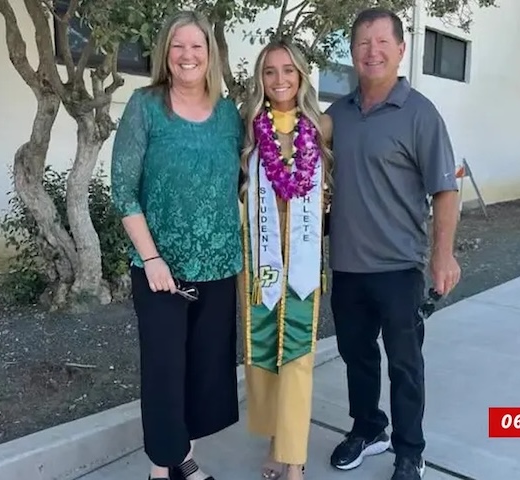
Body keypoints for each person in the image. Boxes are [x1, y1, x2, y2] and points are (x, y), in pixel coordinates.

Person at [325, 8, 461, 480]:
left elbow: (445, 189)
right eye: (363, 42)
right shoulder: (335, 116)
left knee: (404, 364)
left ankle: (409, 449)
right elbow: (298, 158)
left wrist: (443, 255)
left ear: (401, 50)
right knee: (356, 356)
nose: (372, 51)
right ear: (352, 51)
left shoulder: (419, 113)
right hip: (345, 266)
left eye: (383, 41)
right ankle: (368, 428)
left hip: (400, 267)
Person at [110, 11, 244, 480]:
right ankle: (161, 467)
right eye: (178, 46)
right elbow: (122, 188)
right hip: (160, 270)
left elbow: (249, 176)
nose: (188, 56)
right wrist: (151, 258)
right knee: (165, 372)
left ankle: (180, 457)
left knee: (202, 371)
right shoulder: (145, 105)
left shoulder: (229, 114)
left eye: (197, 47)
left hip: (219, 265)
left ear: (210, 54)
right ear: (166, 54)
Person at [238, 39, 333, 480]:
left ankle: (294, 461)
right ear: (261, 78)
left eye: (288, 71)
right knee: (266, 355)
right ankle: (277, 443)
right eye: (270, 72)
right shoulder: (248, 127)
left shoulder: (321, 127)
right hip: (260, 256)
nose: (279, 80)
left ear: (301, 76)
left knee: (296, 356)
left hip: (302, 258)